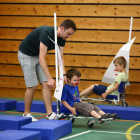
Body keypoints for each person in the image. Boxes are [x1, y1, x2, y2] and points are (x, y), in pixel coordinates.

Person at [18, 19, 77, 121]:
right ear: (62, 29)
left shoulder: (62, 38)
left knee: (45, 84)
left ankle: (50, 114)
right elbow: (42, 59)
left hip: (36, 55)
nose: (69, 36)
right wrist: (50, 78)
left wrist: (64, 74)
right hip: (26, 55)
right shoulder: (47, 34)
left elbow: (60, 57)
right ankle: (26, 114)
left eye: (71, 34)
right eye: (68, 33)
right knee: (32, 86)